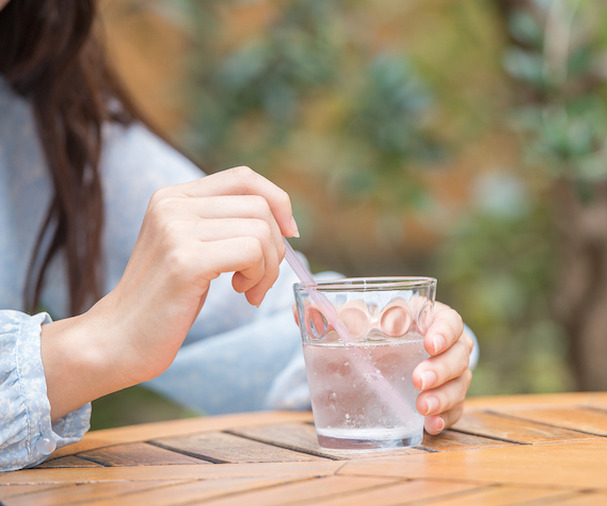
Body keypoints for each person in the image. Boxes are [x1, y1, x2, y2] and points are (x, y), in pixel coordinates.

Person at [0, 0, 476, 471]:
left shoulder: (41, 130)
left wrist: (400, 343)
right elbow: (122, 326)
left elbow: (265, 321)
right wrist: (95, 343)